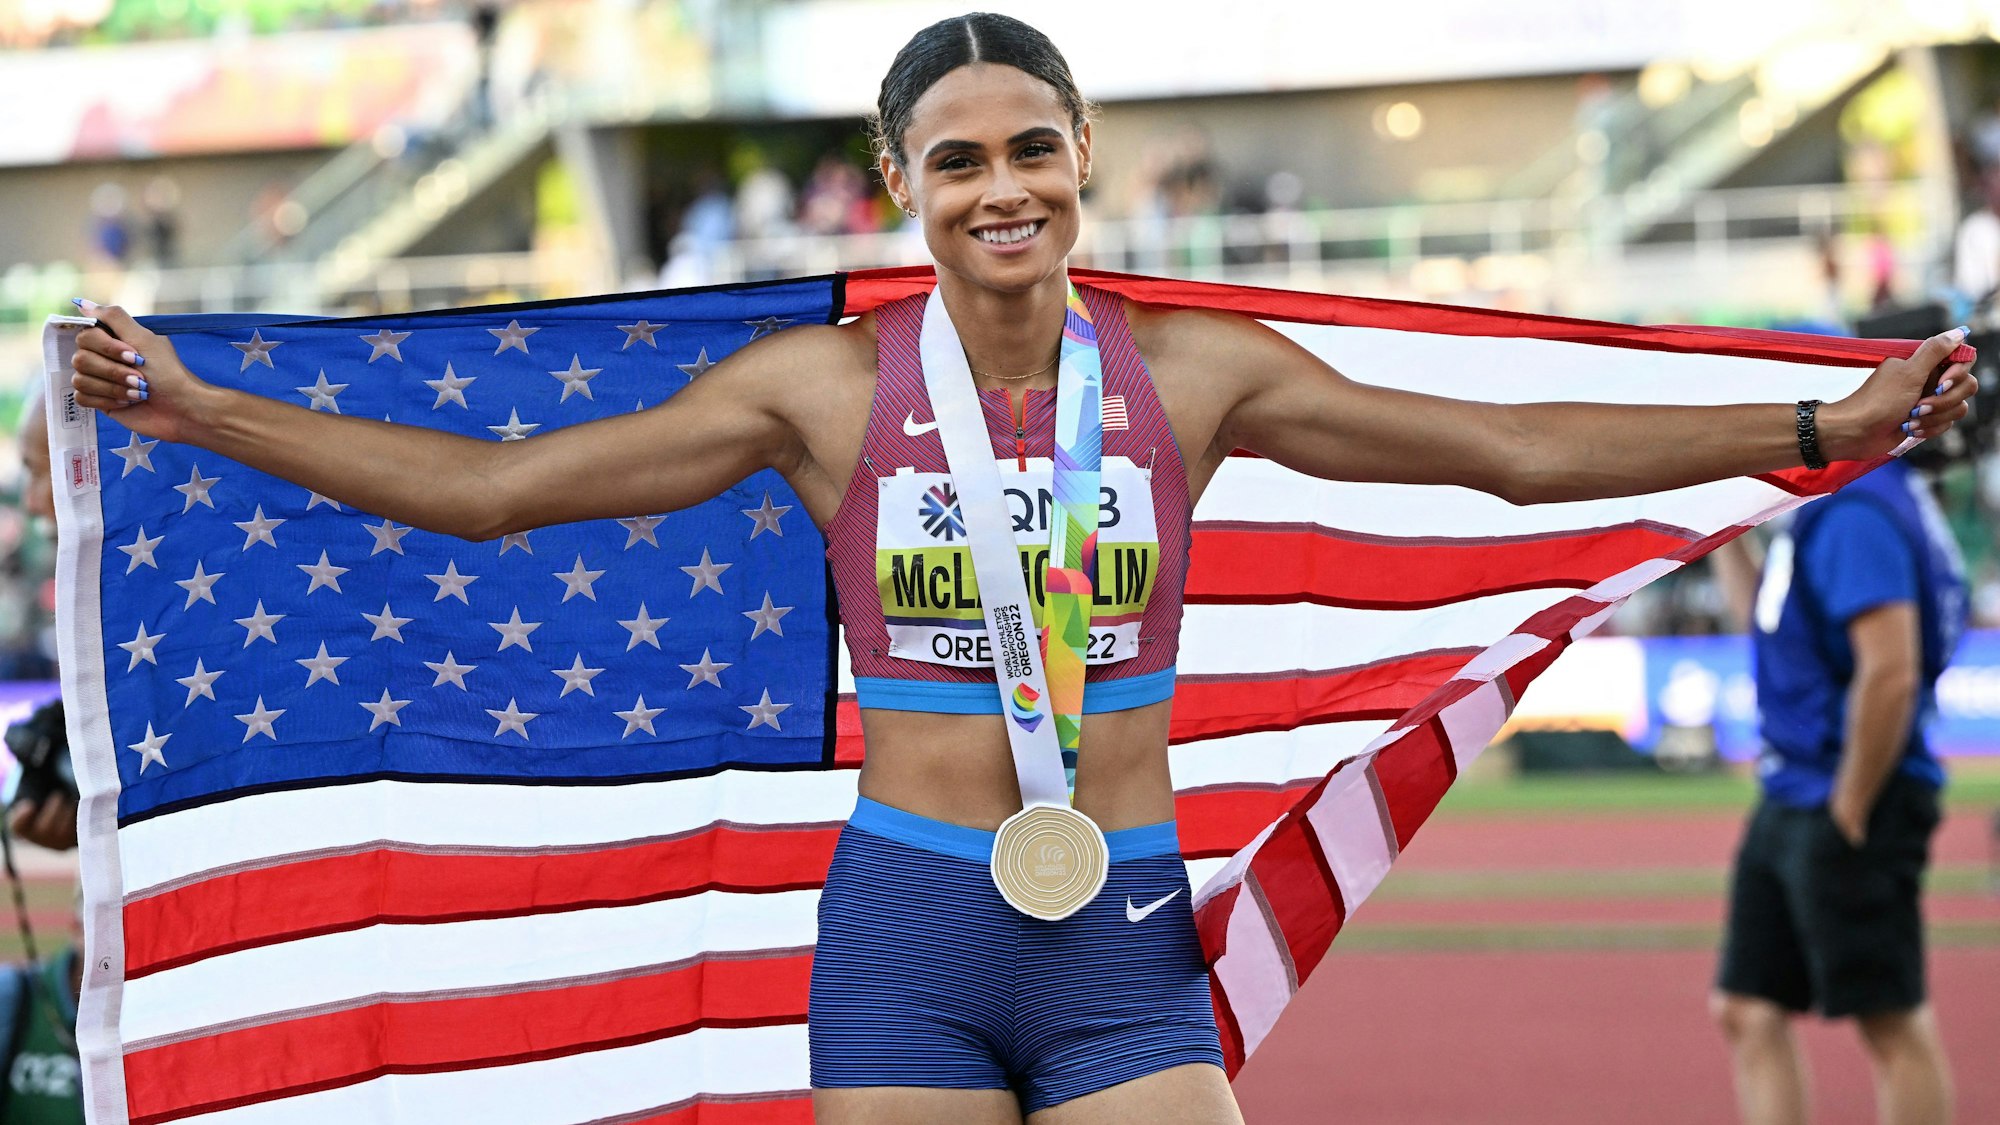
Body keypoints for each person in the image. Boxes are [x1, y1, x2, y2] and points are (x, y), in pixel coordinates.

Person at [65, 13, 1977, 1125]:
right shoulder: (823, 390)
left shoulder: (1194, 376)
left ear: (1085, 160)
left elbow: (1506, 453)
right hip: (907, 929)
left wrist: (1813, 426)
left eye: (1034, 150)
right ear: (900, 182)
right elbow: (499, 492)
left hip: (1120, 930)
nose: (1005, 188)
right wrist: (197, 407)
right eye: (961, 158)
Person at [1710, 453, 1965, 1125]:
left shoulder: (1854, 508)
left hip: (1843, 789)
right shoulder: (1839, 502)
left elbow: (1891, 671)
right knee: (1748, 1007)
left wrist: (1849, 804)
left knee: (1890, 1021)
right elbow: (1769, 622)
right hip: (1794, 786)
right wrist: (1721, 526)